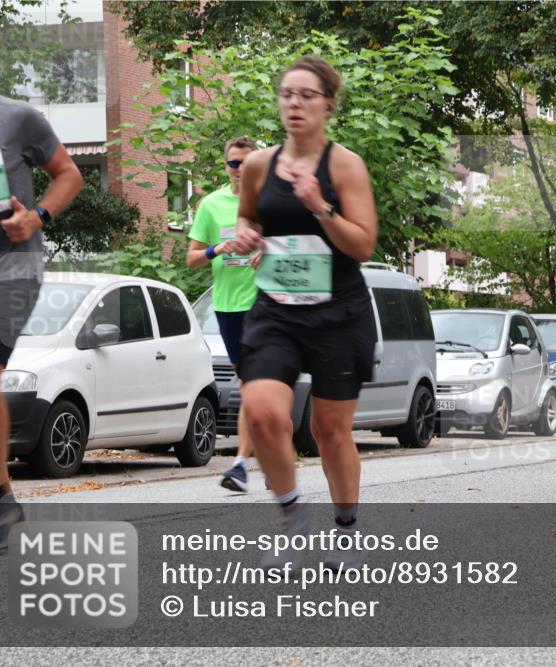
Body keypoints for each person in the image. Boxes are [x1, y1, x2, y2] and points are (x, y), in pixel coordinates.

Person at [228, 55, 378, 570]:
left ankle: (346, 530)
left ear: (328, 106)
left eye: (306, 95)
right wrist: (247, 235)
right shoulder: (257, 166)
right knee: (266, 413)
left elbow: (363, 246)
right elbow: (249, 219)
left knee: (329, 431)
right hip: (276, 310)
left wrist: (319, 205)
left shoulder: (344, 166)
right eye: (287, 94)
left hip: (339, 312)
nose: (294, 103)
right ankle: (292, 521)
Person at [0, 27, 82, 553]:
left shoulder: (16, 118)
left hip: (13, 271)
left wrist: (37, 218)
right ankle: (1, 494)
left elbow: (69, 175)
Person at [186, 136, 260, 493]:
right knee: (253, 387)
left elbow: (297, 242)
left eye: (247, 162)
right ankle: (264, 450)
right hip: (228, 306)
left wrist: (270, 252)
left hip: (265, 302)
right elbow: (191, 258)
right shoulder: (211, 205)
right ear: (226, 166)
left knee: (252, 383)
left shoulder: (270, 200)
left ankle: (241, 463)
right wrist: (218, 248)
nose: (239, 170)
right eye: (234, 163)